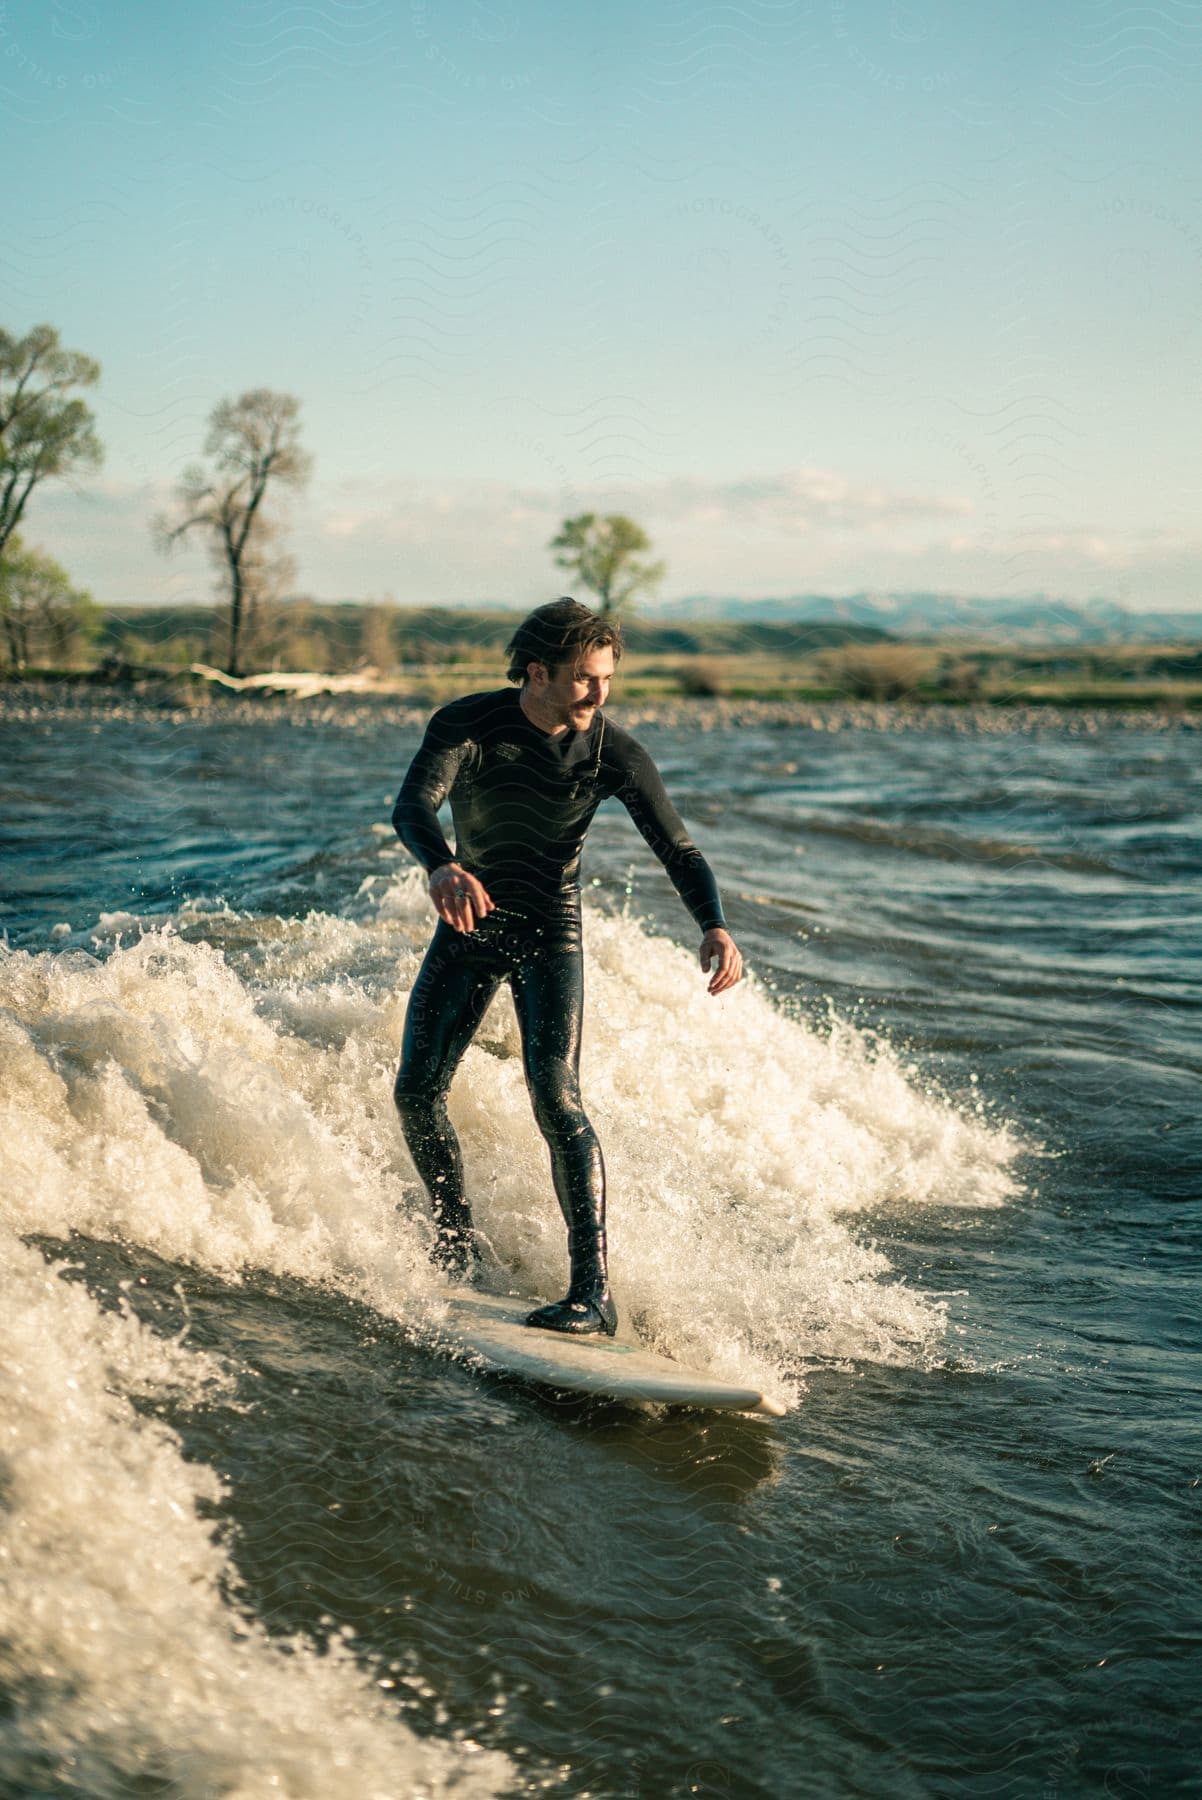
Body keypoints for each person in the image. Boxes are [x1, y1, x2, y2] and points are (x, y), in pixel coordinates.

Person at [391, 597, 742, 1336]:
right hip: (471, 922)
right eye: (584, 678)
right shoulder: (468, 724)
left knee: (556, 1096)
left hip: (552, 931)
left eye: (607, 678)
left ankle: (593, 1293)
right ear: (538, 671)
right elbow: (413, 809)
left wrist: (712, 923)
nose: (598, 694)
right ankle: (454, 1244)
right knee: (417, 1093)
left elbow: (679, 849)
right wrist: (442, 866)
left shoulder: (614, 752)